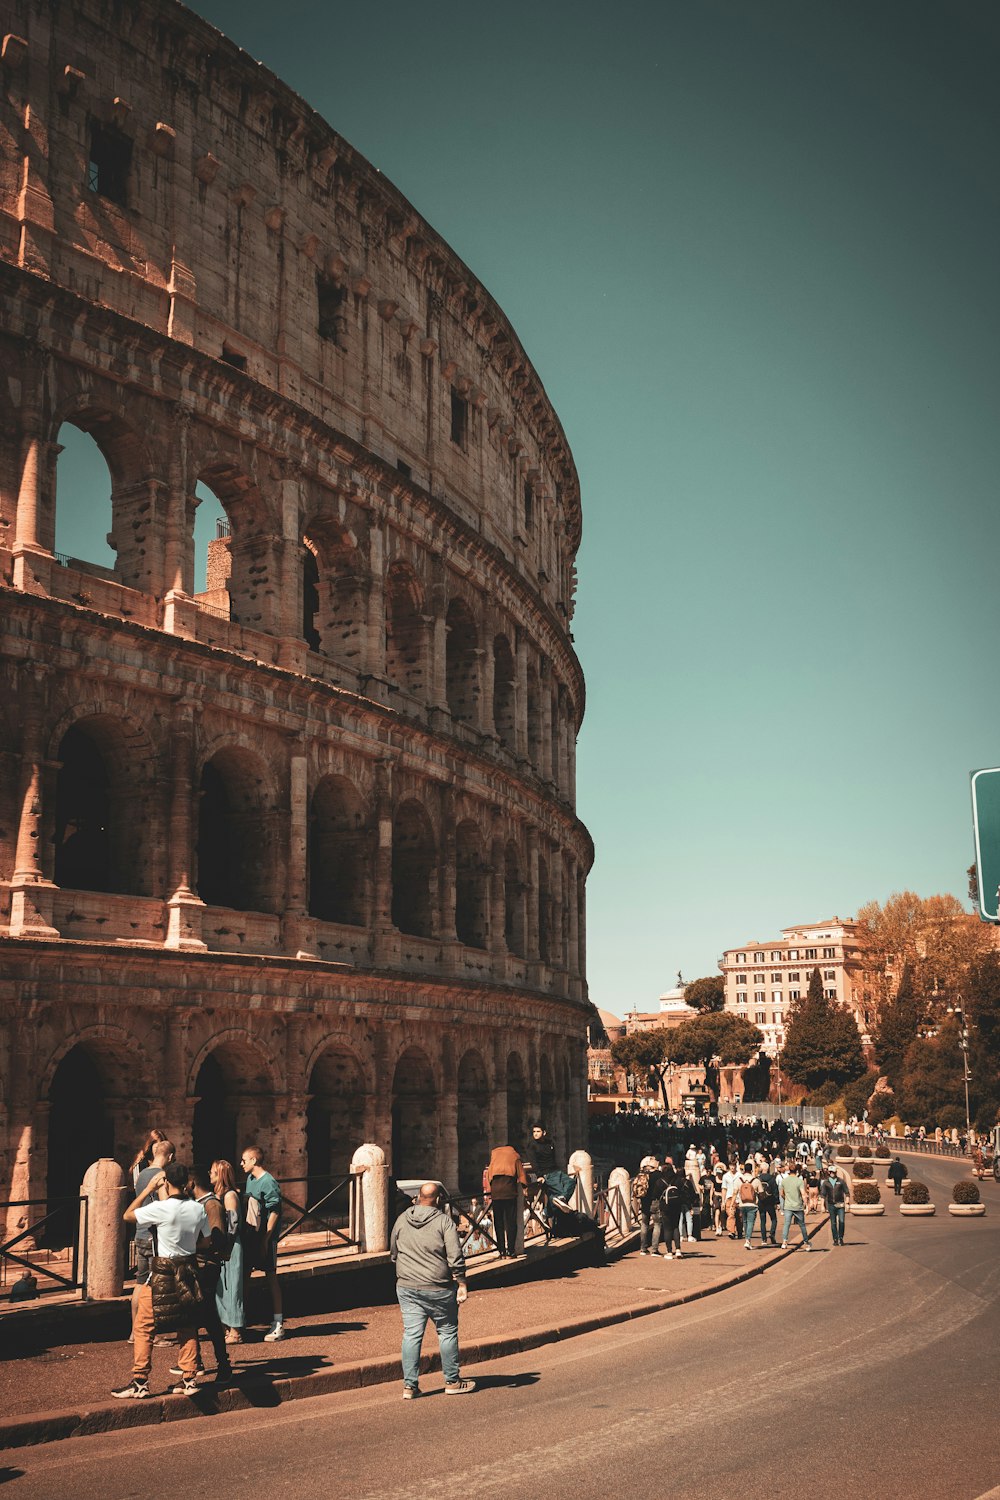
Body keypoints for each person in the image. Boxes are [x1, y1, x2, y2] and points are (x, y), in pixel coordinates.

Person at [114, 1162, 209, 1399]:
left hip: (162, 1273)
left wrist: (147, 1190)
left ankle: (140, 1382)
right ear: (188, 1183)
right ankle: (189, 1379)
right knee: (187, 1325)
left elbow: (127, 1215)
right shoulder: (198, 1209)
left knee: (144, 1327)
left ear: (166, 1182)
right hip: (188, 1271)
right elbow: (206, 1242)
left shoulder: (161, 1208)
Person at [390, 1181, 475, 1399]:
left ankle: (409, 1386)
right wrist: (462, 1282)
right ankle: (452, 1381)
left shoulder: (402, 1218)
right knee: (446, 1332)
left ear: (418, 1198)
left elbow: (393, 1252)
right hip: (438, 1287)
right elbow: (455, 1256)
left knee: (411, 1334)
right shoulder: (444, 1222)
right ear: (438, 1200)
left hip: (407, 1285)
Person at [177, 1165, 235, 1384]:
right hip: (198, 1266)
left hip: (208, 1267)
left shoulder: (211, 1205)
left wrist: (190, 1244)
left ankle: (223, 1365)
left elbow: (216, 1240)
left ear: (192, 1184)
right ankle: (198, 1362)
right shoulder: (198, 1205)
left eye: (185, 1185)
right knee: (198, 1316)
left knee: (209, 1317)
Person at [240, 1145, 285, 1340]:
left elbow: (274, 1210)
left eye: (244, 1160)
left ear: (253, 1161)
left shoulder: (269, 1182)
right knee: (245, 1276)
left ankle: (278, 1322)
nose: (241, 1163)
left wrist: (266, 1238)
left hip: (265, 1236)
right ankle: (241, 1319)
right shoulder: (250, 1180)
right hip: (251, 1235)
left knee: (271, 1276)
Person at [211, 1158, 244, 1342]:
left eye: (213, 1171)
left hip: (231, 1246)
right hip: (223, 1245)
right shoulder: (219, 1194)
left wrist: (226, 1245)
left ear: (220, 1175)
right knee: (222, 1287)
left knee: (232, 1286)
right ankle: (226, 1326)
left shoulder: (230, 1195)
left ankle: (236, 1330)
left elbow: (233, 1223)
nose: (210, 1174)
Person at [486, 1143, 529, 1259]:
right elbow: (521, 1174)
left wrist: (489, 1190)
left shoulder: (494, 1155)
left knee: (498, 1223)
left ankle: (501, 1252)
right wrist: (525, 1187)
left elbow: (489, 1174)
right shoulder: (514, 1156)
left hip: (496, 1192)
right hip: (509, 1191)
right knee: (511, 1222)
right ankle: (511, 1251)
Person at [632, 1155, 666, 1256]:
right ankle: (654, 1249)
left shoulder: (642, 1175)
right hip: (655, 1201)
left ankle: (643, 1248)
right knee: (657, 1224)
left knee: (644, 1224)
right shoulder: (658, 1175)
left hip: (644, 1202)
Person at [778, 1162, 812, 1250]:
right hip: (798, 1206)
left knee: (786, 1224)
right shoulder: (799, 1181)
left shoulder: (784, 1181)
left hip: (788, 1206)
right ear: (797, 1171)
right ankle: (806, 1243)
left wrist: (786, 1198)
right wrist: (806, 1206)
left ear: (789, 1170)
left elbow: (781, 1193)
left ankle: (784, 1242)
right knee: (802, 1225)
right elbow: (803, 1194)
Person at [819, 1167, 850, 1246]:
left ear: (836, 1172)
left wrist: (847, 1203)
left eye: (834, 1172)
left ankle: (841, 1238)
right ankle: (835, 1239)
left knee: (842, 1221)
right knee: (833, 1223)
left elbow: (847, 1192)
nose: (832, 1173)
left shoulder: (841, 1181)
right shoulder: (826, 1183)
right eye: (831, 1172)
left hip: (840, 1204)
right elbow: (823, 1195)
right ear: (829, 1172)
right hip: (831, 1204)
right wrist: (822, 1206)